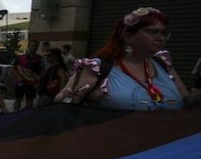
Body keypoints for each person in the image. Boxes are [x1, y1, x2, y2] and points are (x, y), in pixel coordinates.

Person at [57, 7, 188, 110]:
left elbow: (187, 102)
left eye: (164, 33)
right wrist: (68, 97)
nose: (161, 38)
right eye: (152, 32)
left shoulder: (163, 64)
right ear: (128, 37)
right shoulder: (97, 68)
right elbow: (62, 105)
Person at [11, 39, 42, 111]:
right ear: (28, 46)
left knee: (30, 101)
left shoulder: (39, 59)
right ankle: (14, 115)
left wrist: (38, 83)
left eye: (36, 46)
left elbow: (41, 72)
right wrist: (17, 77)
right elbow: (12, 69)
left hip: (32, 84)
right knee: (18, 100)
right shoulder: (20, 57)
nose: (35, 48)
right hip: (20, 83)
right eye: (33, 46)